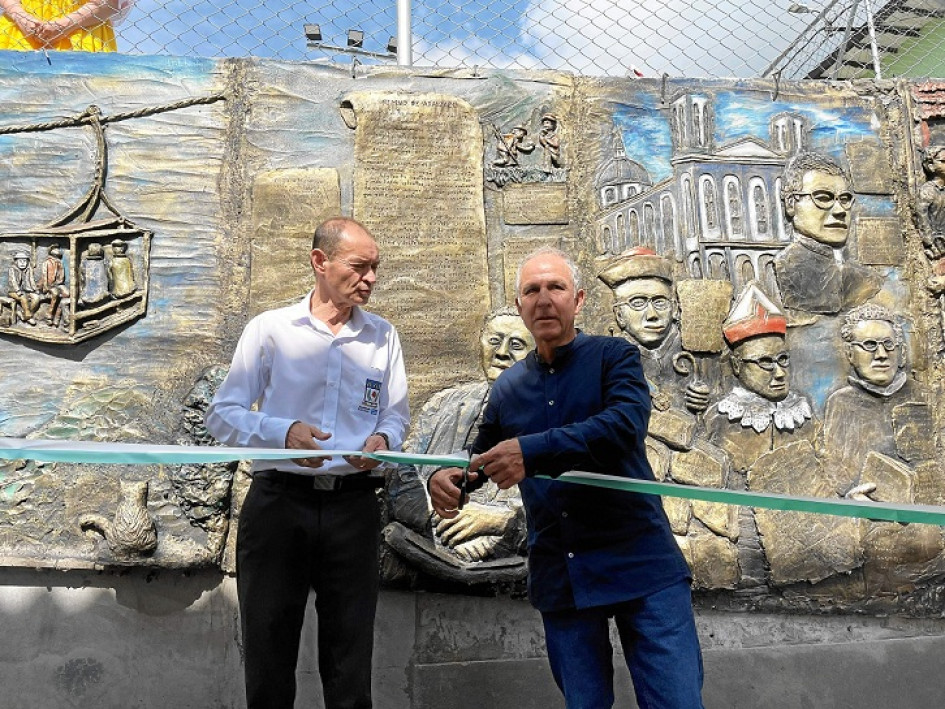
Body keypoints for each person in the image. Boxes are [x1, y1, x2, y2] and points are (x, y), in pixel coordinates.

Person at [428, 247, 704, 709]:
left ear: (577, 300)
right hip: (563, 570)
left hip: (640, 563)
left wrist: (531, 452)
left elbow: (622, 427)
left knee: (676, 702)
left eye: (555, 287)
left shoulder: (615, 357)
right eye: (531, 290)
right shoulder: (509, 386)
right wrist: (452, 476)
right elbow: (481, 454)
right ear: (520, 307)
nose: (543, 300)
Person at [205, 217, 409, 709]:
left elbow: (397, 417)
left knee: (351, 660)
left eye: (376, 268)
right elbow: (222, 416)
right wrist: (283, 433)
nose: (372, 279)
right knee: (269, 652)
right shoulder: (270, 330)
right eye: (360, 267)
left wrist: (383, 439)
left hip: (355, 509)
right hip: (279, 505)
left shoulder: (383, 337)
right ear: (321, 262)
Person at [385, 306, 533, 574]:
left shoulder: (557, 416)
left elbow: (571, 500)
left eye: (516, 344)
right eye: (493, 340)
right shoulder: (443, 405)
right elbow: (401, 471)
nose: (501, 352)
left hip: (516, 564)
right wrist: (439, 517)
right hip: (427, 547)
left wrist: (498, 523)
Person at [704, 283, 815, 474]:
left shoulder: (803, 414)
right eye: (765, 362)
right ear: (737, 365)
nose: (780, 373)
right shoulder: (719, 419)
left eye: (783, 359)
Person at [773, 151, 881, 315]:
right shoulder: (784, 269)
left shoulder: (866, 280)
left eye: (844, 199)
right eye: (823, 198)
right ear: (790, 204)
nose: (840, 211)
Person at [0, 0, 132, 52]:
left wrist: (66, 24)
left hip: (85, 27)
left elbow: (110, 3)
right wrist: (20, 16)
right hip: (20, 26)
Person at [7, 250, 41, 326]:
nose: (23, 263)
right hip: (13, 291)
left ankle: (24, 315)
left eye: (24, 261)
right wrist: (18, 290)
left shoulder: (29, 269)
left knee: (36, 298)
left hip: (26, 290)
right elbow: (13, 281)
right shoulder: (12, 269)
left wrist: (35, 289)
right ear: (16, 262)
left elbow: (31, 280)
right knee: (23, 298)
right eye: (20, 261)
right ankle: (28, 317)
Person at [39, 243, 68, 326]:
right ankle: (49, 315)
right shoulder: (47, 262)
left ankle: (57, 315)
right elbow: (44, 276)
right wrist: (46, 288)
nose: (58, 250)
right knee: (55, 293)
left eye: (58, 249)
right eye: (55, 249)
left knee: (67, 294)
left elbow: (61, 276)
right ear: (51, 251)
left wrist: (59, 282)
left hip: (57, 284)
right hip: (48, 285)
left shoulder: (59, 262)